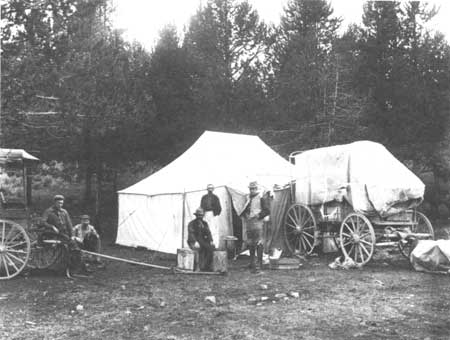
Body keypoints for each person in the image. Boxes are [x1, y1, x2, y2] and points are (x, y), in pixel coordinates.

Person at [41, 195, 84, 277]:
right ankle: (70, 269)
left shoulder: (64, 212)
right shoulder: (49, 211)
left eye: (62, 203)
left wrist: (72, 235)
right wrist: (52, 227)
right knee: (72, 245)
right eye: (59, 203)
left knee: (76, 243)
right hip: (52, 234)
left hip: (64, 233)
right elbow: (42, 222)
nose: (60, 205)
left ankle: (77, 267)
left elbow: (69, 225)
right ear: (55, 202)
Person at [240, 181, 270, 273]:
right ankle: (252, 263)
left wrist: (259, 216)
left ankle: (259, 264)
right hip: (249, 223)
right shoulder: (248, 198)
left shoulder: (261, 198)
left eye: (253, 189)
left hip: (257, 223)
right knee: (250, 243)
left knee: (258, 243)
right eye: (250, 189)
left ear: (256, 189)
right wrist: (245, 215)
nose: (252, 190)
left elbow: (267, 210)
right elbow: (245, 209)